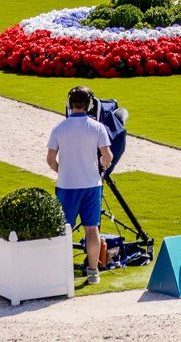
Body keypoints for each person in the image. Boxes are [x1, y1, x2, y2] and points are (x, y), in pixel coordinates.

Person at [47, 86, 114, 285]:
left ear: (70, 104)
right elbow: (107, 156)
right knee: (92, 229)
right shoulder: (97, 127)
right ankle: (93, 272)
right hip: (91, 185)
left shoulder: (59, 128)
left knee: (63, 228)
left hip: (67, 186)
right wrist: (99, 168)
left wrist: (64, 171)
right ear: (89, 105)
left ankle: (61, 270)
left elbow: (51, 159)